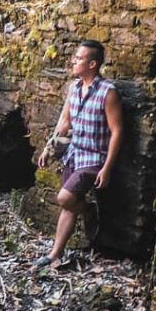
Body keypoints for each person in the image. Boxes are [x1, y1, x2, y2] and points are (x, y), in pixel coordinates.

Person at [33, 40, 123, 271]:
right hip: (73, 156)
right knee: (68, 205)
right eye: (75, 57)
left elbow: (117, 131)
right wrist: (48, 149)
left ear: (92, 64)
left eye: (79, 58)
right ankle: (54, 254)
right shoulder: (74, 88)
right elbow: (64, 123)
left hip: (94, 159)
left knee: (65, 198)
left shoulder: (108, 92)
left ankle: (88, 209)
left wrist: (107, 168)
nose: (74, 60)